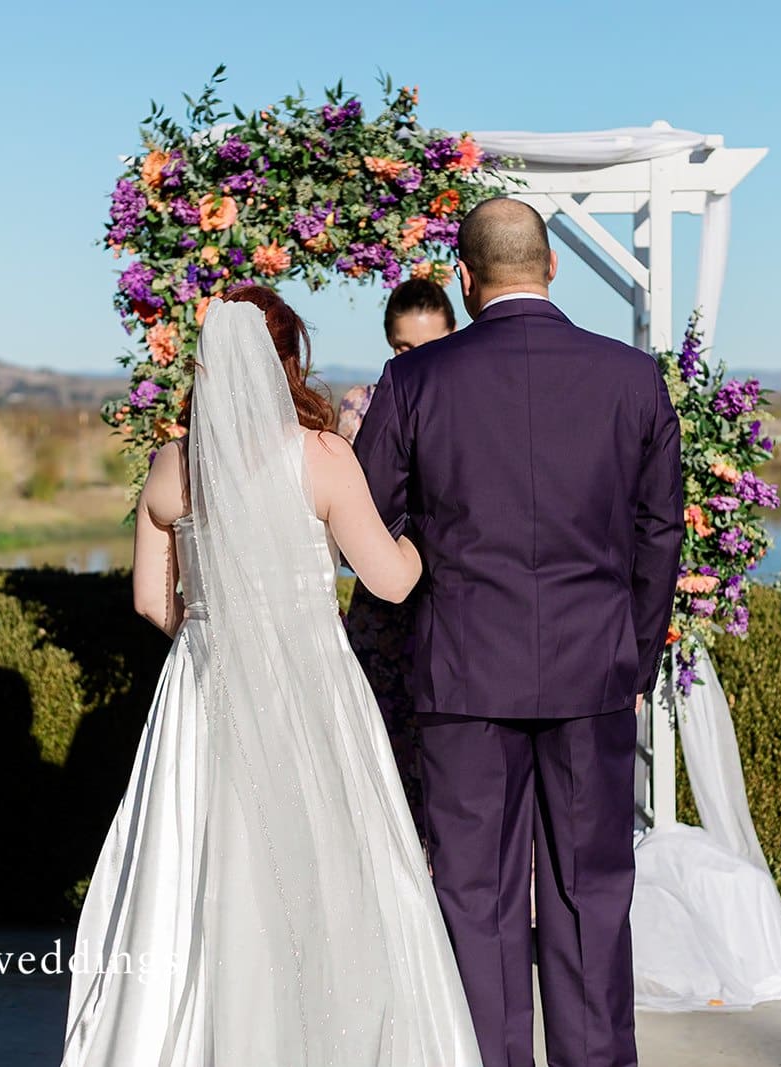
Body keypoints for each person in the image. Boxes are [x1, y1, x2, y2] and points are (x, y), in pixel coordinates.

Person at [60, 285, 481, 1067]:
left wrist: (218, 627)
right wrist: (422, 535)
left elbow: (154, 601)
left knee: (199, 870)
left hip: (205, 688)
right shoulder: (321, 457)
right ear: (289, 362)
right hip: (310, 687)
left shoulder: (172, 467)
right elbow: (389, 581)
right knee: (331, 868)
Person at [354, 198, 684, 1067]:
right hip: (594, 673)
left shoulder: (415, 381)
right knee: (591, 894)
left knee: (478, 898)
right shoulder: (631, 377)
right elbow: (660, 532)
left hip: (463, 673)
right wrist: (635, 655)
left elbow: (367, 520)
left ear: (464, 280)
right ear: (553, 267)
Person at [338, 278, 458, 844]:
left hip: (455, 602)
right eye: (405, 350)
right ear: (390, 346)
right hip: (383, 606)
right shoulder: (361, 405)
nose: (418, 360)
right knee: (381, 753)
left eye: (431, 345)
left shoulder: (473, 399)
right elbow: (351, 506)